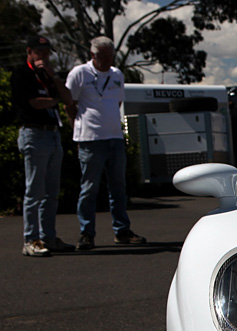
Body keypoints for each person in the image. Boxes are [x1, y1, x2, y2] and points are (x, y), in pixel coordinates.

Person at [65, 36, 145, 251]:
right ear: (93, 55)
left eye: (110, 56)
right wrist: (77, 128)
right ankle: (86, 233)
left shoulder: (116, 74)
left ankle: (122, 231)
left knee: (118, 188)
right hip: (90, 139)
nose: (107, 60)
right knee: (89, 189)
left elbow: (118, 102)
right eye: (103, 56)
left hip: (115, 138)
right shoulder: (79, 73)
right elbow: (69, 104)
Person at [12, 34, 77, 257]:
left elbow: (69, 99)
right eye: (39, 53)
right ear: (29, 52)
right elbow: (34, 103)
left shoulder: (50, 76)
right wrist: (53, 101)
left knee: (51, 192)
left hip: (53, 135)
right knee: (35, 191)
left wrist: (54, 78)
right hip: (33, 133)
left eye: (47, 53)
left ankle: (49, 236)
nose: (44, 57)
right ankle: (30, 239)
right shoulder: (22, 74)